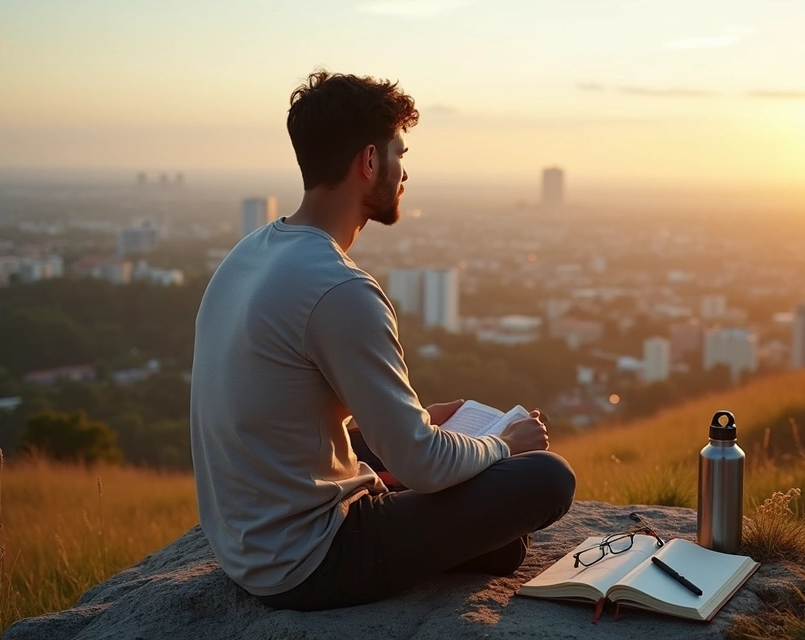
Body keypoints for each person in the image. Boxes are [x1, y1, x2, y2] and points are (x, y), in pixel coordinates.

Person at [189, 70, 576, 612]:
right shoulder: (340, 288)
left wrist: (421, 424)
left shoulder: (250, 253)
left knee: (490, 525)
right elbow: (420, 467)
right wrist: (504, 446)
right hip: (310, 560)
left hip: (245, 540)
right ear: (369, 162)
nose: (405, 171)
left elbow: (283, 407)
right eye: (399, 152)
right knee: (546, 477)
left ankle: (478, 531)